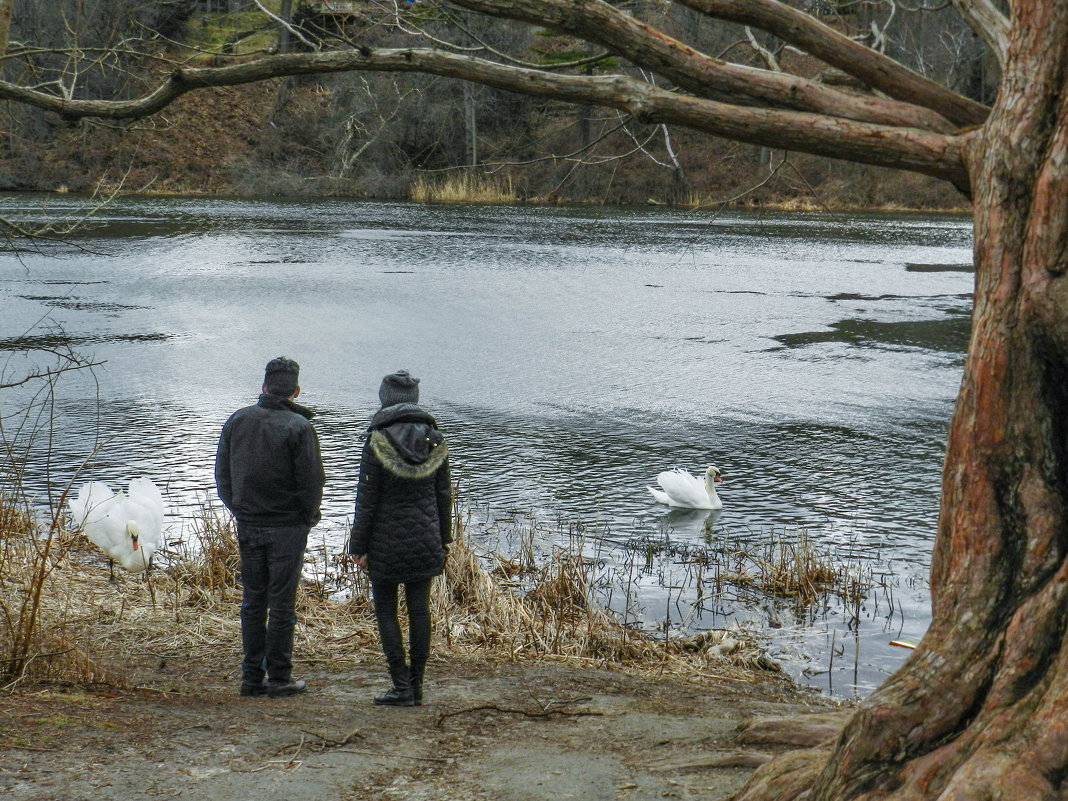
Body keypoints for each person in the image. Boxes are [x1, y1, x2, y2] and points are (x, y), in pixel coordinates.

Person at [215, 357, 325, 698]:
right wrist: (309, 517)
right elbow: (312, 482)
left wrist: (240, 509)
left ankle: (251, 678)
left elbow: (223, 476)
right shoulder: (299, 427)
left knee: (252, 600)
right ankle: (278, 678)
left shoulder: (238, 420)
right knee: (281, 602)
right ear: (295, 391)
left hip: (249, 522)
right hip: (288, 527)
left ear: (264, 386)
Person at [349, 370, 451, 706]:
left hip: (384, 542)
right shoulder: (434, 438)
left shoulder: (376, 440)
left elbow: (367, 499)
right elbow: (443, 496)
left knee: (387, 612)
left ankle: (401, 686)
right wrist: (444, 541)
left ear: (385, 399)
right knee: (420, 612)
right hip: (426, 539)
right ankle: (417, 688)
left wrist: (358, 546)